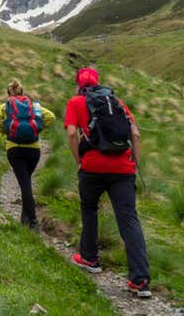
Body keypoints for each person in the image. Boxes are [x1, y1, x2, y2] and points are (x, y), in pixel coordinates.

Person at [64, 67, 152, 298]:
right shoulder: (117, 102)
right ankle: (140, 280)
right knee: (129, 220)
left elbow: (72, 133)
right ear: (97, 83)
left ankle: (90, 258)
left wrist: (78, 161)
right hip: (123, 169)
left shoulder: (74, 102)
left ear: (79, 85)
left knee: (89, 209)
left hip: (92, 168)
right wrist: (134, 162)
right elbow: (136, 134)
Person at [0, 79, 55, 229]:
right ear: (22, 92)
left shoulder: (5, 106)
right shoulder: (34, 106)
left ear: (8, 93)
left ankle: (33, 221)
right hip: (34, 150)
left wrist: (6, 132)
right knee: (26, 183)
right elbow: (51, 116)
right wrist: (38, 129)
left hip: (15, 149)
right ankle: (25, 219)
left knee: (25, 185)